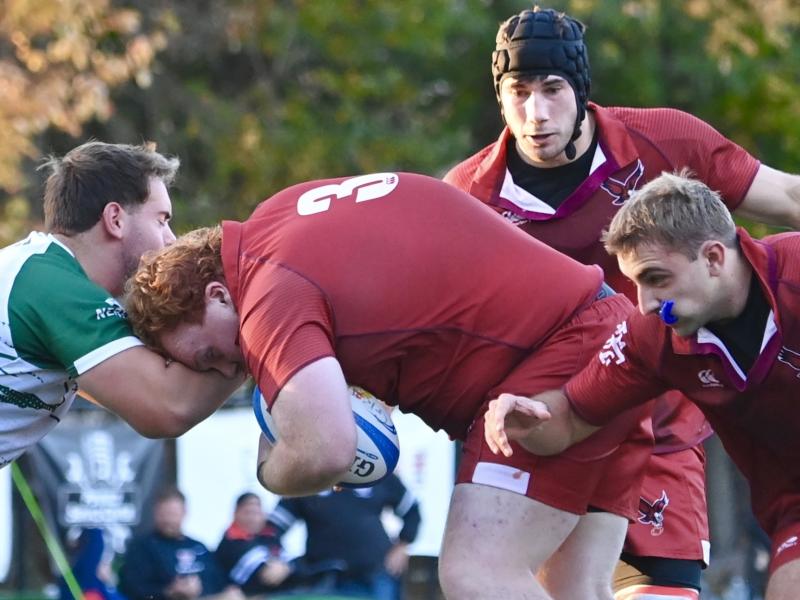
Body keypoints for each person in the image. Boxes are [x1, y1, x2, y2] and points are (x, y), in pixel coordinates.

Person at [125, 171, 653, 600]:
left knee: (478, 576)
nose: (224, 370)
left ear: (219, 294)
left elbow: (325, 450)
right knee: (575, 589)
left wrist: (271, 467)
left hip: (558, 355)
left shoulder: (265, 292)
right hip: (605, 331)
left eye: (210, 354)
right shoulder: (279, 214)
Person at [443, 6, 800, 599]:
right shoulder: (468, 200)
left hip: (659, 422)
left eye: (553, 89)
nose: (536, 113)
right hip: (558, 419)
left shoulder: (663, 139)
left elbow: (787, 194)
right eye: (519, 92)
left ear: (581, 92)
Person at [483, 171, 800, 600]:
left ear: (713, 258)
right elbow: (573, 414)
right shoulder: (651, 336)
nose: (645, 304)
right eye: (635, 283)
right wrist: (528, 414)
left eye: (656, 279)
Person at [0, 141, 244, 470]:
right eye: (161, 220)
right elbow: (167, 406)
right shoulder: (54, 288)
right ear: (115, 218)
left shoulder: (45, 276)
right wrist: (258, 320)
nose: (171, 240)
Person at [267, 473, 421, 600]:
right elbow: (271, 529)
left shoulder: (376, 470)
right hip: (325, 577)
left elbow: (412, 510)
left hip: (377, 573)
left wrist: (403, 544)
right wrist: (280, 560)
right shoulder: (307, 478)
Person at [119, 488, 243, 600]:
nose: (169, 520)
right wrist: (170, 592)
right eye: (164, 514)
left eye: (173, 514)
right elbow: (132, 589)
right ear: (155, 513)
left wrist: (230, 589)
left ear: (184, 513)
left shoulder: (198, 546)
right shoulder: (142, 547)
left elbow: (221, 581)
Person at [214, 492, 293, 595]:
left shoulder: (269, 536)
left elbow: (297, 563)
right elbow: (264, 576)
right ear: (235, 513)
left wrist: (286, 567)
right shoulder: (230, 542)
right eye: (247, 512)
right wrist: (286, 568)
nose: (252, 518)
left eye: (257, 513)